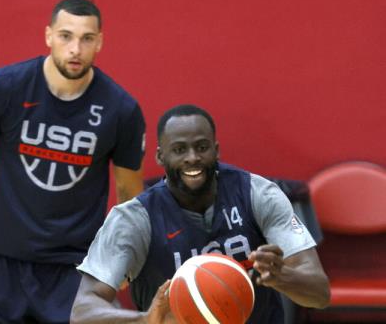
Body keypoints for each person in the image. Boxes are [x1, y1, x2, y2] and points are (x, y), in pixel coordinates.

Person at [0, 0, 146, 323]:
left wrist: (123, 261)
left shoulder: (122, 110)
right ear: (48, 36)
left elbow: (129, 195)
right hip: (4, 263)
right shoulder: (3, 89)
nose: (75, 48)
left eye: (87, 38)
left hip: (75, 267)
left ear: (100, 42)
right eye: (66, 36)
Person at [71, 104, 330, 323]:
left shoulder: (259, 194)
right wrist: (145, 319)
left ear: (216, 150)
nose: (192, 158)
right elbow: (82, 311)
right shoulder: (133, 218)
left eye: (202, 147)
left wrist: (282, 277)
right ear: (161, 156)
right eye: (180, 149)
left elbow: (319, 293)